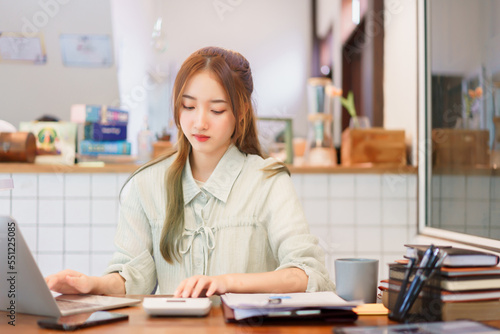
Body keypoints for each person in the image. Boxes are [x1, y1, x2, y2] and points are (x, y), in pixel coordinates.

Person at [46, 46, 334, 298]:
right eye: (188, 106)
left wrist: (227, 283)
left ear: (241, 111)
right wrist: (91, 285)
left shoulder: (268, 180)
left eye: (217, 110)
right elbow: (133, 278)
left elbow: (308, 274)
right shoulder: (146, 184)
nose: (199, 122)